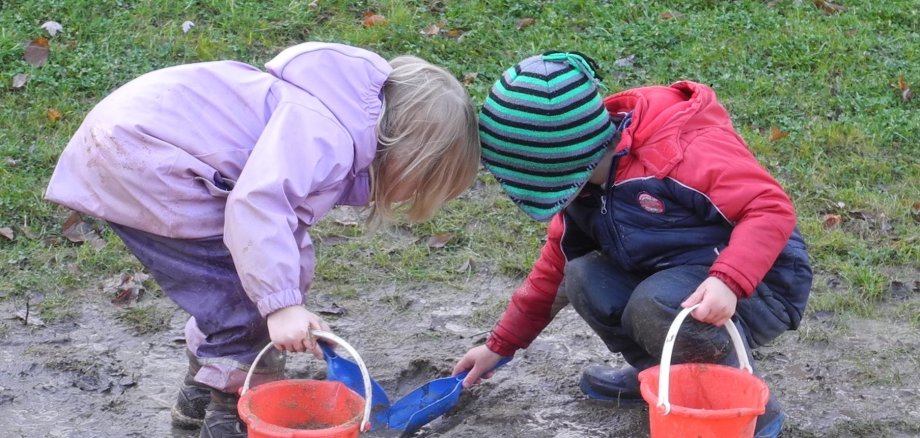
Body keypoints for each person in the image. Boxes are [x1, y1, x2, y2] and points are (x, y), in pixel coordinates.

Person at [44, 41, 480, 438]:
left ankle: (199, 399)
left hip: (132, 148)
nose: (411, 197)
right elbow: (257, 207)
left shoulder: (329, 118)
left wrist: (294, 298)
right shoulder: (324, 137)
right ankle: (233, 418)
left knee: (232, 291)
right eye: (421, 184)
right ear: (406, 152)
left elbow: (284, 227)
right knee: (247, 309)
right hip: (149, 160)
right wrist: (280, 304)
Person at [451, 51, 812, 438]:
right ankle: (663, 378)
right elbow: (550, 274)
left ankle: (742, 408)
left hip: (760, 282)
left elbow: (769, 209)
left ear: (560, 164)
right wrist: (499, 346)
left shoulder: (678, 152)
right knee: (583, 274)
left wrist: (729, 280)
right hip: (675, 281)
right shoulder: (583, 191)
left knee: (654, 302)